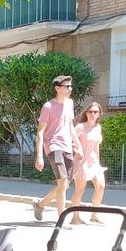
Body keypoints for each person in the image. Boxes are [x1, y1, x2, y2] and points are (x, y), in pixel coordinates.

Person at [33, 75, 83, 221]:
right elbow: (40, 131)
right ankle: (61, 218)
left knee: (65, 185)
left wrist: (78, 146)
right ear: (57, 88)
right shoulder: (48, 106)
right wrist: (39, 156)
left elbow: (70, 127)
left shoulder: (70, 103)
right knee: (62, 182)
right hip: (54, 146)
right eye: (67, 86)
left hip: (68, 147)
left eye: (71, 86)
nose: (70, 89)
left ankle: (40, 205)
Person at [70, 102, 107, 225]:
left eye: (95, 112)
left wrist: (99, 163)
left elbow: (96, 147)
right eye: (90, 111)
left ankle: (94, 215)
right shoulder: (80, 127)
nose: (92, 114)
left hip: (94, 162)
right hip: (81, 162)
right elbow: (73, 142)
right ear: (86, 113)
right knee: (79, 190)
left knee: (101, 186)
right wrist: (77, 151)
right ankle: (75, 217)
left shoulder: (98, 127)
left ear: (99, 114)